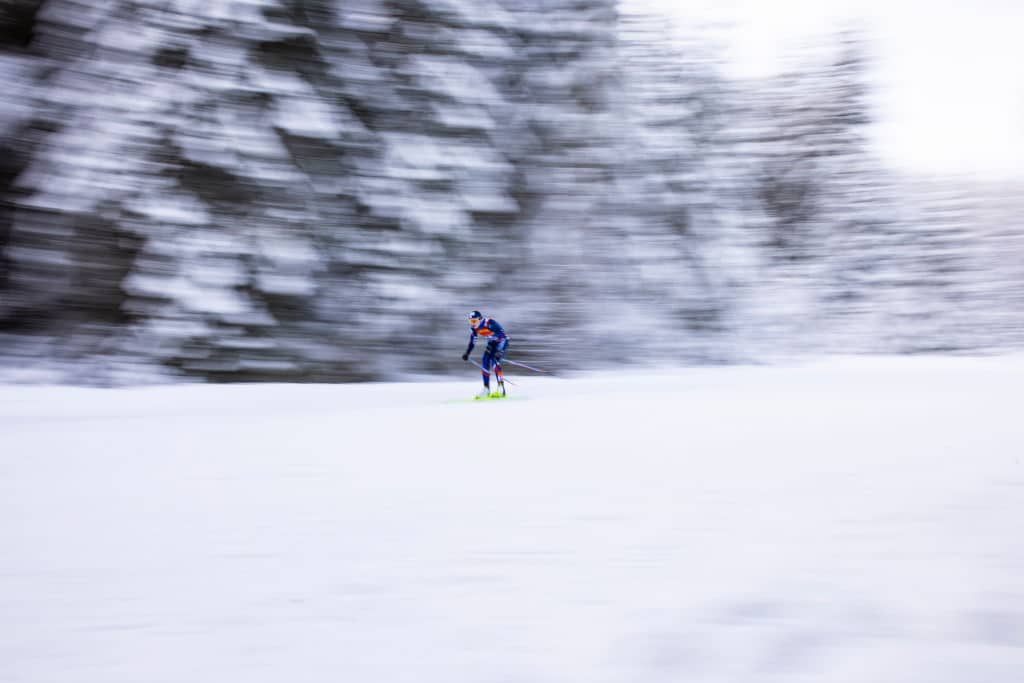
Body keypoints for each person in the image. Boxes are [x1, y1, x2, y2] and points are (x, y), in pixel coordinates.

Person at [462, 310, 509, 397]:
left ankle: (501, 388)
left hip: (502, 342)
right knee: (485, 361)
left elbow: (502, 334)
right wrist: (467, 353)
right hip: (492, 343)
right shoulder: (474, 329)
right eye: (470, 321)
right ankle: (486, 389)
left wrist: (500, 351)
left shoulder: (490, 323)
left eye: (474, 321)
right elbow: (473, 342)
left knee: (494, 360)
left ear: (480, 319)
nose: (472, 323)